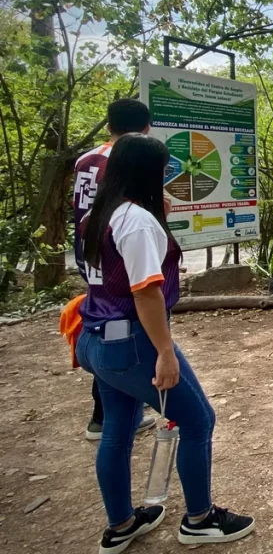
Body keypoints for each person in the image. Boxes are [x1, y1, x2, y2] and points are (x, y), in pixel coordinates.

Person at [77, 134, 254, 552]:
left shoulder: (98, 215)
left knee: (117, 430)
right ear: (148, 173)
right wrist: (165, 351)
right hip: (133, 343)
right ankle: (199, 519)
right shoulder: (136, 221)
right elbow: (145, 292)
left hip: (97, 338)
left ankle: (121, 523)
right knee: (198, 420)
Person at [71, 99, 158, 441]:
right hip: (118, 254)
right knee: (126, 330)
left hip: (90, 251)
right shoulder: (128, 160)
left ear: (108, 125)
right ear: (147, 127)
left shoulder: (84, 159)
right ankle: (106, 414)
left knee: (108, 324)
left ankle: (111, 414)